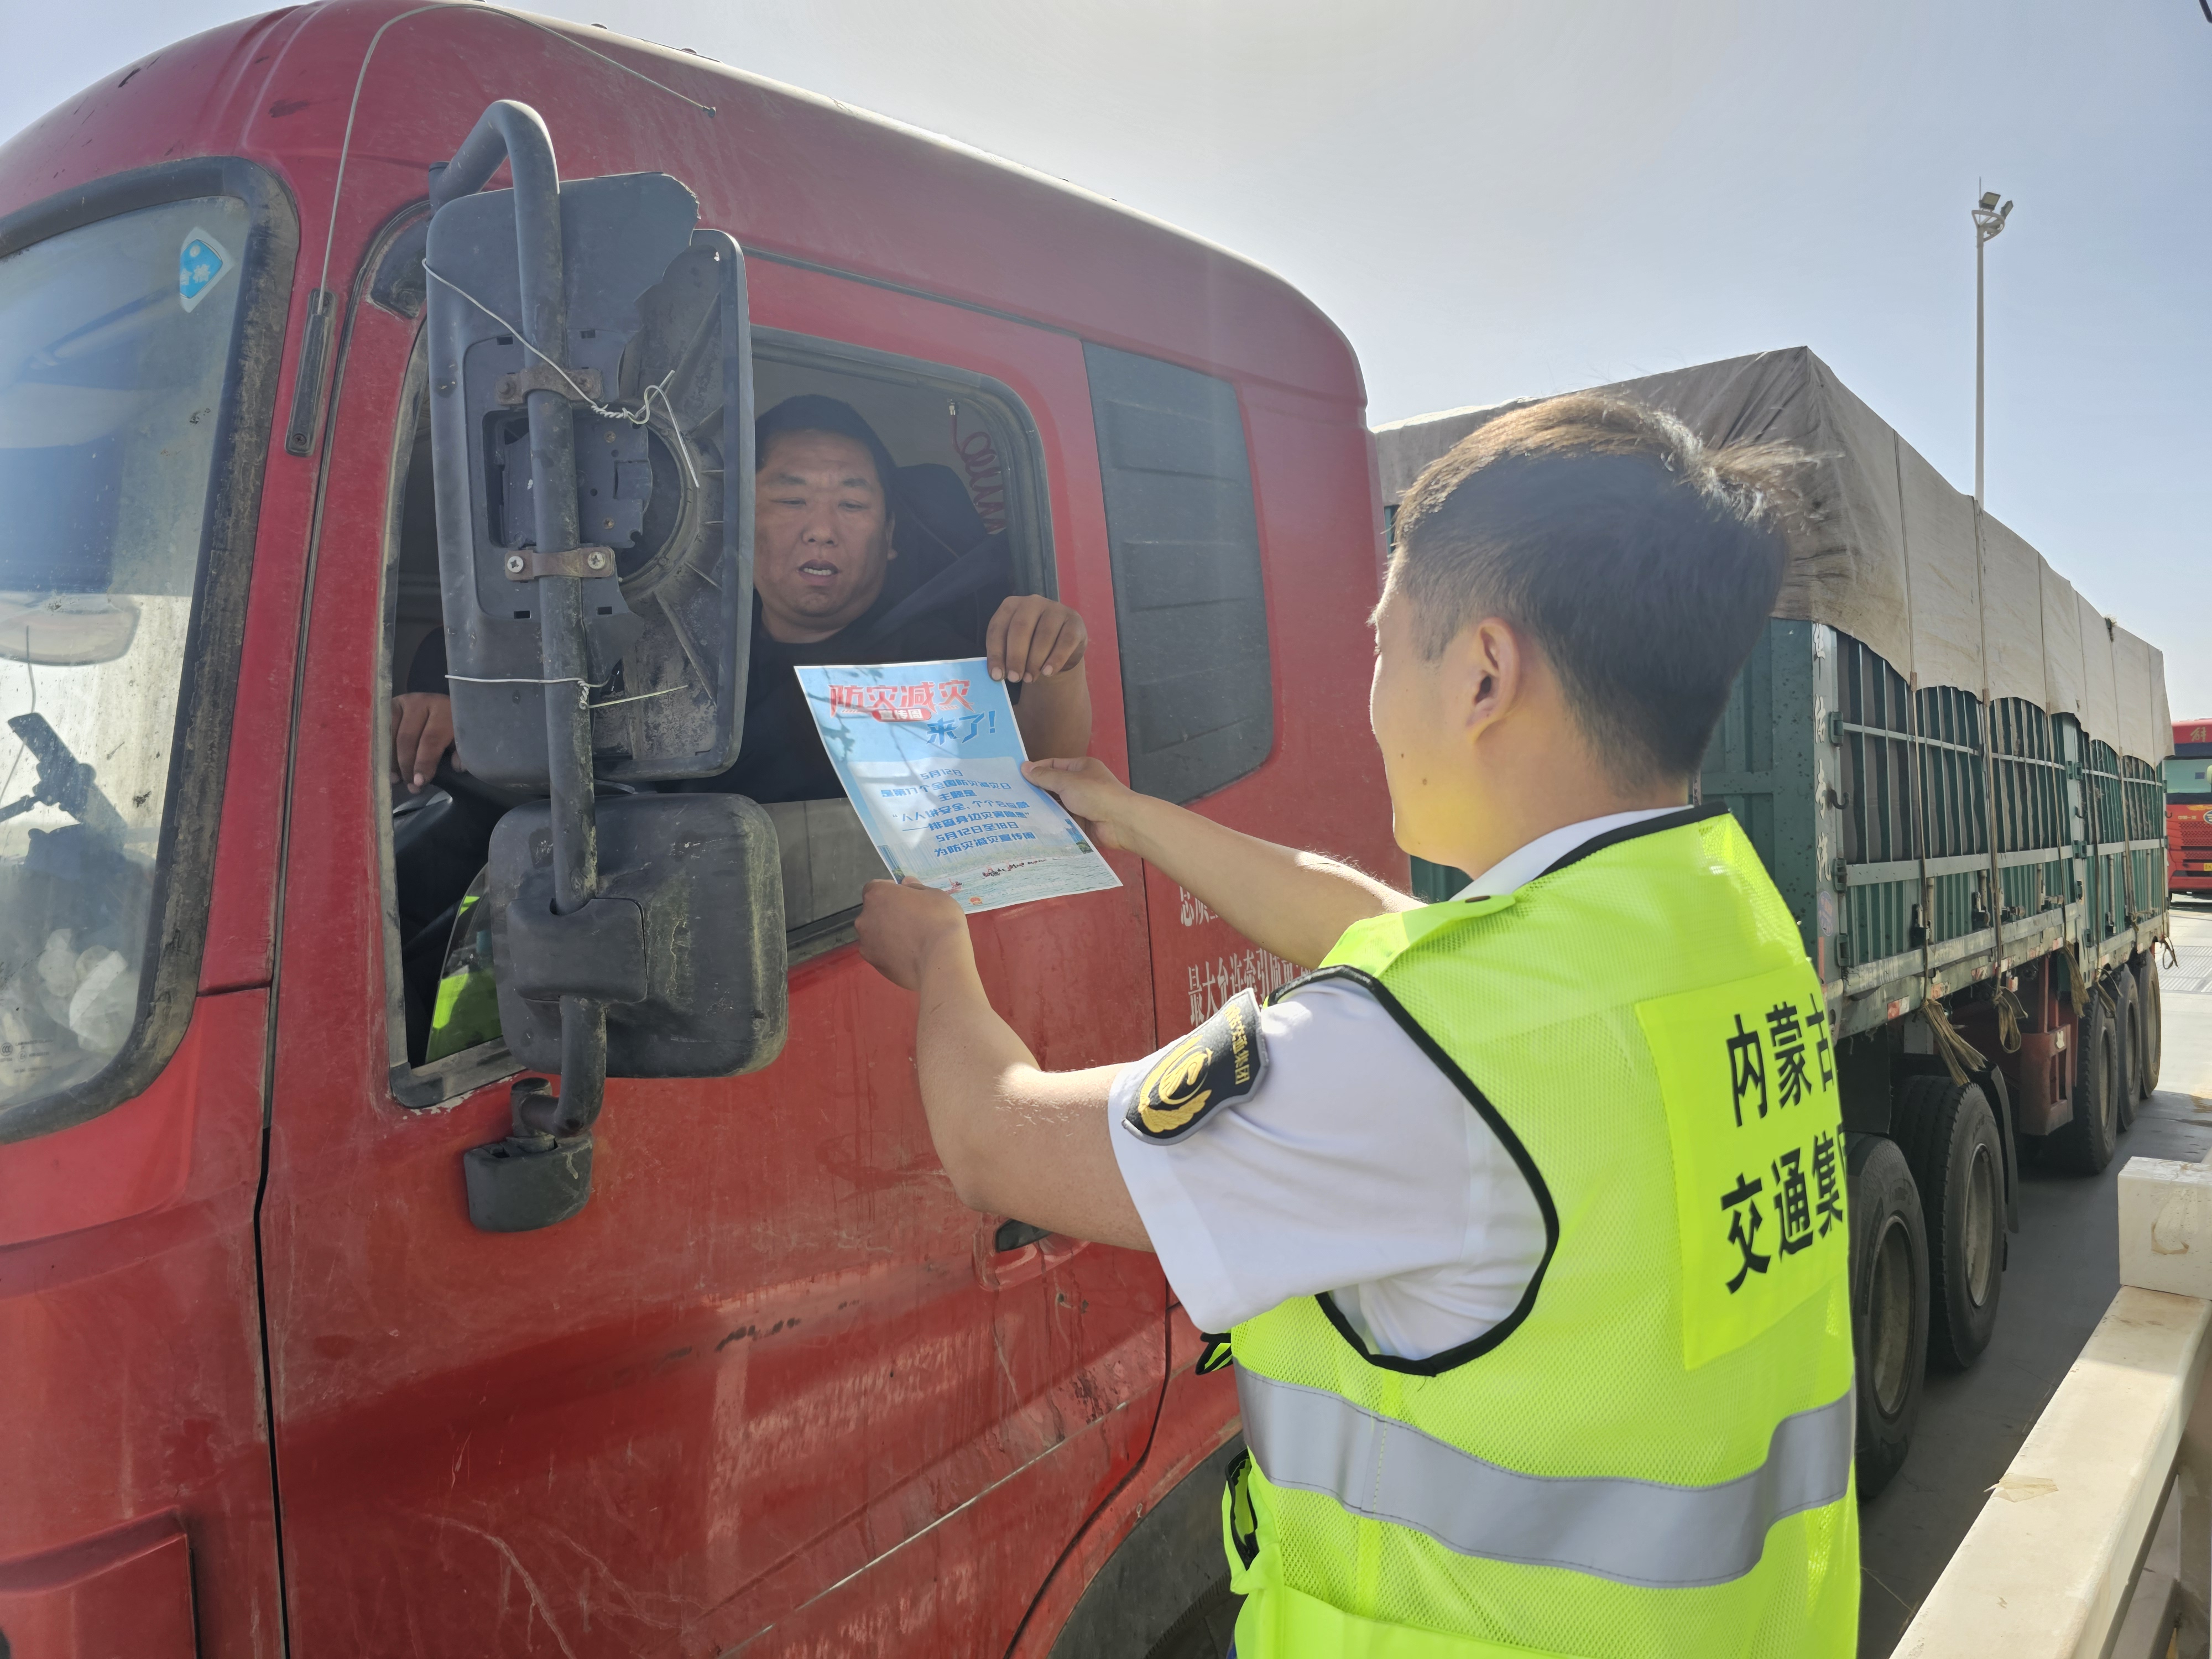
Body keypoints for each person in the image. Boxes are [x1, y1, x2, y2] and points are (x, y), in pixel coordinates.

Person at [853, 394, 1857, 1656]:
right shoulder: (1713, 915)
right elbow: (1395, 930)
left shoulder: (1408, 1065)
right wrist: (1136, 815)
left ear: (1483, 674)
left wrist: (938, 954)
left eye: (1384, 647)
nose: (1372, 693)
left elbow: (995, 1143)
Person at [391, 393, 1091, 799]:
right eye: (790, 498)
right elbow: (544, 681)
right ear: (740, 531)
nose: (821, 529)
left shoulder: (928, 668)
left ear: (889, 539)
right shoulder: (669, 642)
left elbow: (1042, 782)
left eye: (852, 504)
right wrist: (458, 709)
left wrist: (1057, 661)